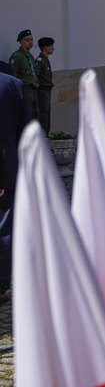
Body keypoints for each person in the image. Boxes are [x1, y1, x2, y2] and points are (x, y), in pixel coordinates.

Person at [0, 71, 28, 304]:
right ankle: (0, 286)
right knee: (4, 231)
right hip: (8, 170)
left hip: (6, 174)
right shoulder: (14, 84)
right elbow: (24, 134)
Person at [8, 29, 40, 121]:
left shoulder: (30, 57)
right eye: (27, 40)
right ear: (20, 42)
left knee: (35, 115)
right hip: (25, 89)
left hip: (34, 89)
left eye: (31, 39)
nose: (30, 42)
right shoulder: (17, 56)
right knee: (26, 115)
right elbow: (13, 75)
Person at [35, 37, 55, 133]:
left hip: (47, 91)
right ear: (46, 48)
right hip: (42, 91)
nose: (53, 48)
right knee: (43, 116)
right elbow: (36, 76)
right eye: (51, 46)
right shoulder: (40, 61)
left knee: (47, 115)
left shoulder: (45, 60)